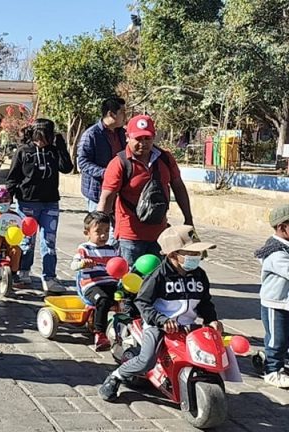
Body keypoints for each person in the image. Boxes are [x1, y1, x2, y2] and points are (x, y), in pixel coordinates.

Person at [98, 225, 220, 402]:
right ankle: (116, 376)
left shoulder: (199, 275)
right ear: (172, 255)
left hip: (188, 325)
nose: (196, 258)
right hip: (158, 324)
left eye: (198, 254)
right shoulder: (158, 276)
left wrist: (211, 320)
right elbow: (142, 301)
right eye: (191, 253)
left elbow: (205, 302)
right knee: (146, 360)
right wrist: (160, 320)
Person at [96, 115, 194, 266]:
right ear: (127, 137)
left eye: (147, 138)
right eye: (138, 138)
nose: (143, 143)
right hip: (130, 236)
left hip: (160, 235)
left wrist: (188, 218)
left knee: (157, 281)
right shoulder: (119, 163)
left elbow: (178, 187)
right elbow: (107, 198)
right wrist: (99, 229)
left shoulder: (165, 159)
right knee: (130, 280)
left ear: (154, 137)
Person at [6, 120, 73, 292]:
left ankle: (49, 277)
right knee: (27, 240)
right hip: (27, 202)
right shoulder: (23, 151)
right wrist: (7, 199)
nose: (42, 141)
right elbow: (13, 177)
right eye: (39, 137)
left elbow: (66, 168)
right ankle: (23, 271)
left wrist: (61, 146)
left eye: (46, 137)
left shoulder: (53, 151)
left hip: (50, 202)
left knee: (49, 241)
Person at [70, 211, 121, 351]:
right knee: (103, 300)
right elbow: (73, 265)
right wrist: (82, 264)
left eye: (106, 231)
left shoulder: (111, 249)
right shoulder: (84, 248)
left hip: (111, 283)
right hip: (92, 285)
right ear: (87, 232)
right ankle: (100, 334)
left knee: (128, 297)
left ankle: (127, 327)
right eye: (98, 232)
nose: (103, 235)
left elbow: (118, 266)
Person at [254, 204, 289, 388]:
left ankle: (273, 361)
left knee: (285, 340)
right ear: (282, 228)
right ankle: (272, 371)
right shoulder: (276, 253)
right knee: (277, 339)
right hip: (276, 304)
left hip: (286, 303)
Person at [78, 97, 127, 212]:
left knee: (116, 229)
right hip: (98, 192)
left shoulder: (124, 134)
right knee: (99, 227)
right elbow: (83, 162)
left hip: (120, 192)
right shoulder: (91, 135)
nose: (125, 116)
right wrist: (106, 173)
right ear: (111, 114)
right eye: (122, 112)